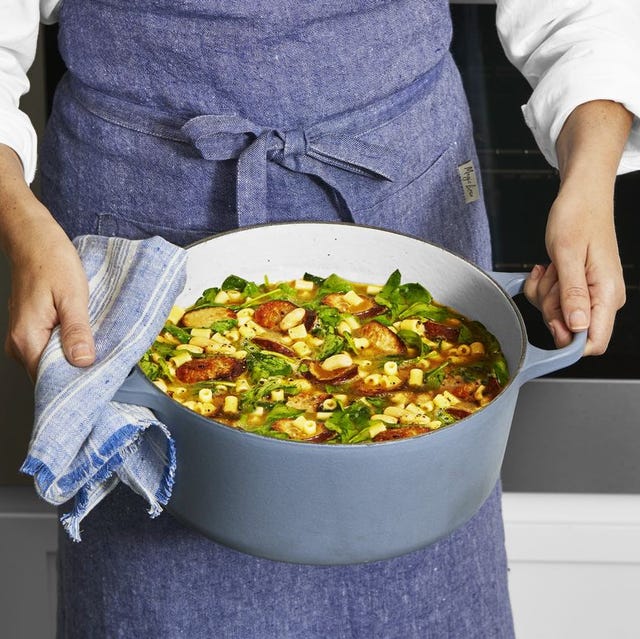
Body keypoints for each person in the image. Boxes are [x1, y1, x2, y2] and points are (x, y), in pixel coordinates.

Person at [0, 0, 637, 637]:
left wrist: (588, 183)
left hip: (402, 185)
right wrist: (19, 218)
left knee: (419, 516)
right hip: (141, 203)